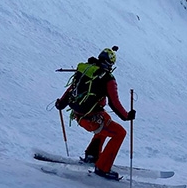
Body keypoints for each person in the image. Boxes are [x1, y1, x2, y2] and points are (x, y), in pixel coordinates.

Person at [55, 46, 135, 180]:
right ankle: (102, 168)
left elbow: (72, 88)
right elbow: (114, 103)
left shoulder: (86, 70)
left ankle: (92, 155)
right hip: (92, 119)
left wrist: (61, 104)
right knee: (120, 133)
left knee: (106, 120)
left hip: (79, 116)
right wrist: (127, 116)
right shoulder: (108, 78)